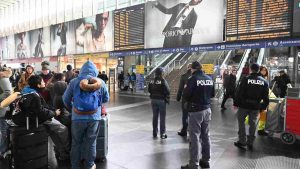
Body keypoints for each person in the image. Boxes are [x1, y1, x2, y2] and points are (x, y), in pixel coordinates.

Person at [63, 61, 109, 169]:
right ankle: (89, 165)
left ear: (82, 70)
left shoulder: (74, 82)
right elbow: (106, 99)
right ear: (95, 71)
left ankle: (75, 166)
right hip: (94, 118)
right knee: (91, 142)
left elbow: (65, 99)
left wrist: (72, 109)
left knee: (76, 143)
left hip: (77, 118)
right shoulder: (100, 82)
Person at [20, 75, 70, 160]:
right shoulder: (34, 95)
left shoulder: (27, 92)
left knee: (54, 133)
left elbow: (42, 107)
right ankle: (69, 150)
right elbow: (41, 112)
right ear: (38, 85)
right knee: (63, 129)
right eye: (42, 82)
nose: (44, 83)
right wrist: (54, 113)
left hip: (36, 118)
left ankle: (62, 153)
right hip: (41, 119)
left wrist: (52, 110)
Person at [181, 61, 214, 169]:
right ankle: (206, 160)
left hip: (196, 111)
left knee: (194, 136)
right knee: (206, 135)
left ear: (193, 69)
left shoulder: (192, 79)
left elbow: (186, 94)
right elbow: (212, 94)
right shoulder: (209, 79)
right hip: (207, 109)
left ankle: (193, 164)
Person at [234, 63, 269, 150]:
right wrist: (263, 106)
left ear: (251, 69)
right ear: (258, 70)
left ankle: (242, 141)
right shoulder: (264, 81)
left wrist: (236, 103)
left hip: (244, 105)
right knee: (253, 124)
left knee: (241, 122)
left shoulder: (246, 79)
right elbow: (266, 96)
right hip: (256, 106)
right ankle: (250, 142)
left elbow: (239, 93)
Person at [148, 68, 170, 139]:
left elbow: (149, 90)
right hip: (161, 100)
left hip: (153, 100)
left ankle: (154, 133)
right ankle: (162, 134)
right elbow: (167, 90)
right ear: (162, 73)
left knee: (155, 116)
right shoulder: (163, 80)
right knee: (162, 117)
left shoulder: (151, 81)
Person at [176, 63, 192, 137]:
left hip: (185, 99)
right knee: (193, 115)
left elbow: (180, 89)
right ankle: (193, 131)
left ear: (187, 67)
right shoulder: (196, 76)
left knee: (185, 115)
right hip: (195, 100)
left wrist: (178, 97)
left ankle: (184, 130)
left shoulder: (184, 76)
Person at [0, 71, 12, 159]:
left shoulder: (3, 79)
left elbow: (8, 92)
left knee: (4, 130)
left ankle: (4, 150)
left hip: (2, 109)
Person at [257, 66, 269, 136]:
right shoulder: (260, 79)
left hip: (263, 100)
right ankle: (260, 129)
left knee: (263, 115)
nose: (264, 71)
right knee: (260, 114)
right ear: (259, 71)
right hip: (260, 100)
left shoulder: (264, 78)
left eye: (265, 70)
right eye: (262, 70)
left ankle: (261, 129)